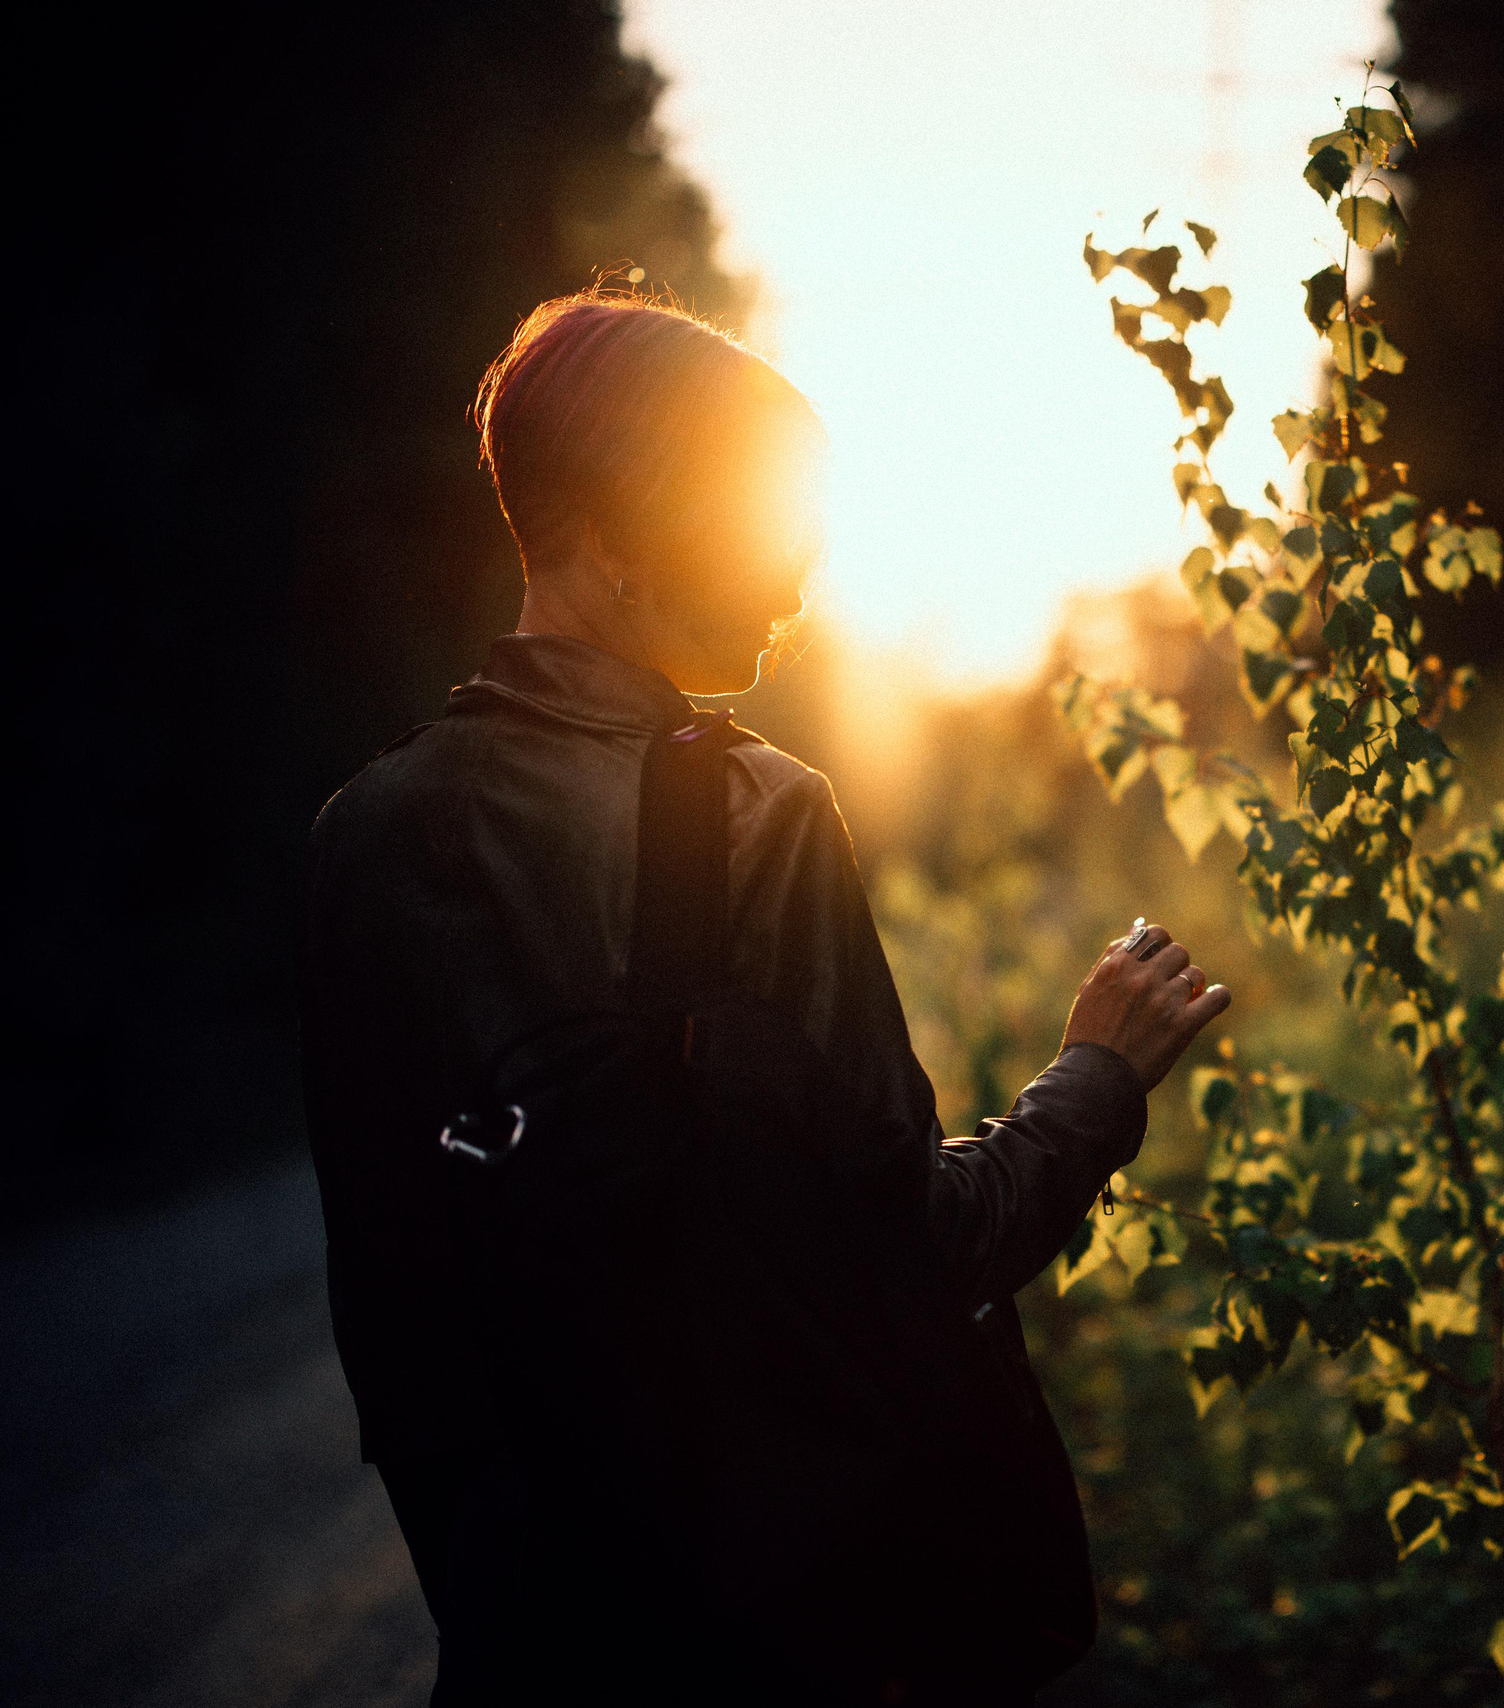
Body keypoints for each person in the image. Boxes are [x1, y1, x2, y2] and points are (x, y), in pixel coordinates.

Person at [299, 289, 1230, 1703]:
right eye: (751, 531)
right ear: (607, 541)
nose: (794, 582)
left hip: (516, 1647)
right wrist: (1095, 1079)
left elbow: (396, 1315)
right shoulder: (753, 818)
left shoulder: (361, 838)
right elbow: (923, 1254)